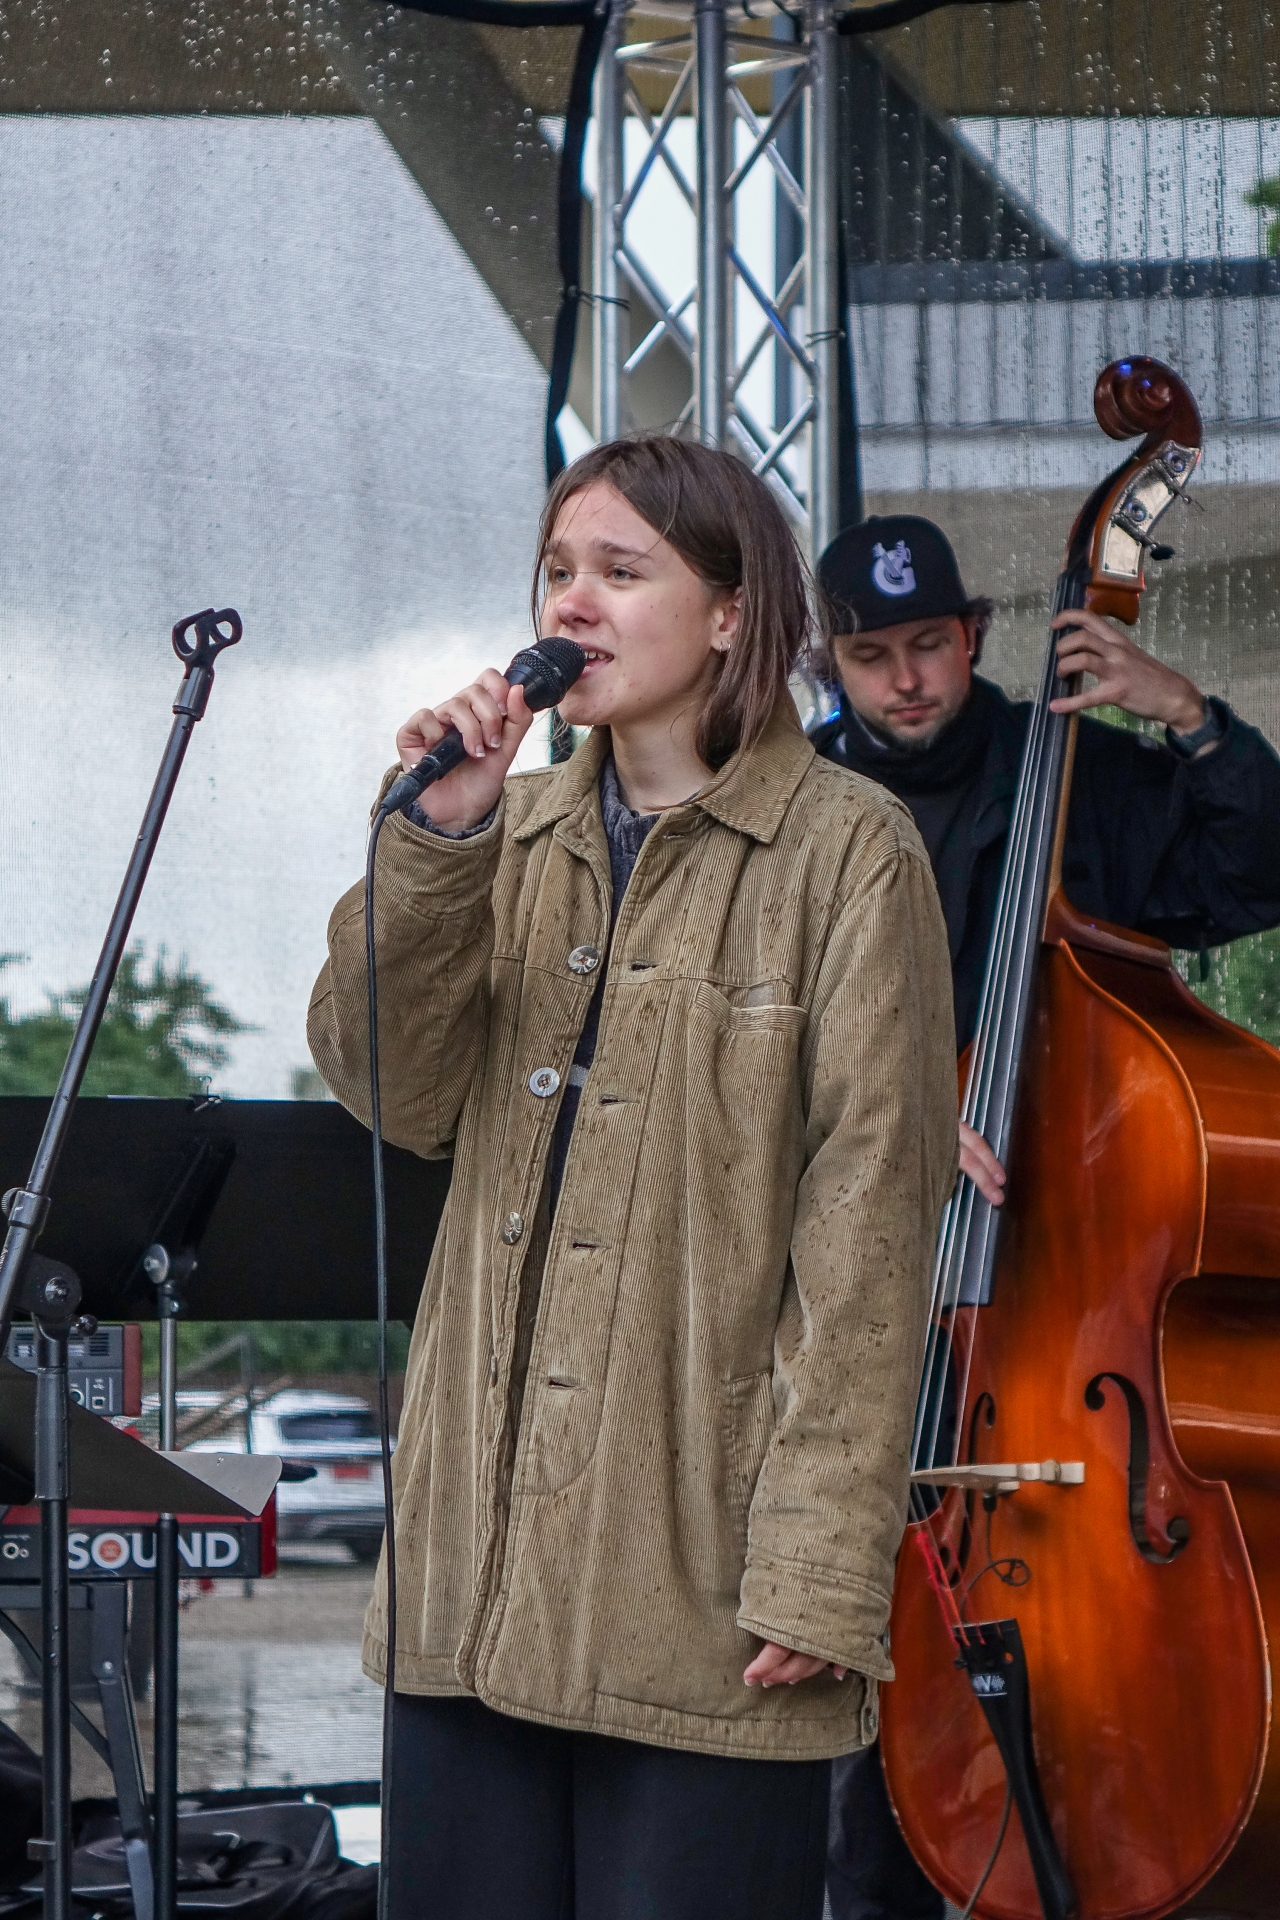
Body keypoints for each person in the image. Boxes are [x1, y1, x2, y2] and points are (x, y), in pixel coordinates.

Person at [308, 443, 959, 1920]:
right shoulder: (504, 831)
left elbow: (867, 1238)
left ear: (730, 613)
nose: (572, 603)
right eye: (556, 570)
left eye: (620, 570)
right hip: (468, 1587)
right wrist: (439, 840)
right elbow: (388, 1086)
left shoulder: (851, 855)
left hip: (701, 1594)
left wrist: (820, 1562)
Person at [814, 512, 1280, 1920]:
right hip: (873, 1311)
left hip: (1078, 1341)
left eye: (931, 646)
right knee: (865, 1722)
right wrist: (888, 1123)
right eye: (872, 657)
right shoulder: (798, 813)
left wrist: (1188, 717)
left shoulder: (1073, 773)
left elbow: (1253, 871)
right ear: (829, 663)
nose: (907, 680)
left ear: (977, 636)